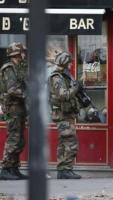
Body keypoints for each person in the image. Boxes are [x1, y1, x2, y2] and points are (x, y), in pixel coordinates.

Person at [48, 51, 82, 179]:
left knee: (65, 142)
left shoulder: (64, 76)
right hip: (62, 115)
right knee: (70, 141)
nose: (71, 64)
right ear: (65, 62)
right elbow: (63, 95)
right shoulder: (57, 77)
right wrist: (75, 88)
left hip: (66, 114)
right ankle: (65, 169)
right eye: (70, 62)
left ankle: (63, 170)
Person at [0, 42, 29, 180]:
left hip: (19, 108)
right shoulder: (9, 68)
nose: (24, 55)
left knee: (19, 140)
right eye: (22, 52)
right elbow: (12, 90)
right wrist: (28, 95)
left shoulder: (18, 68)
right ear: (17, 54)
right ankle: (5, 170)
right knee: (13, 138)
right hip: (13, 108)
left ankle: (14, 168)